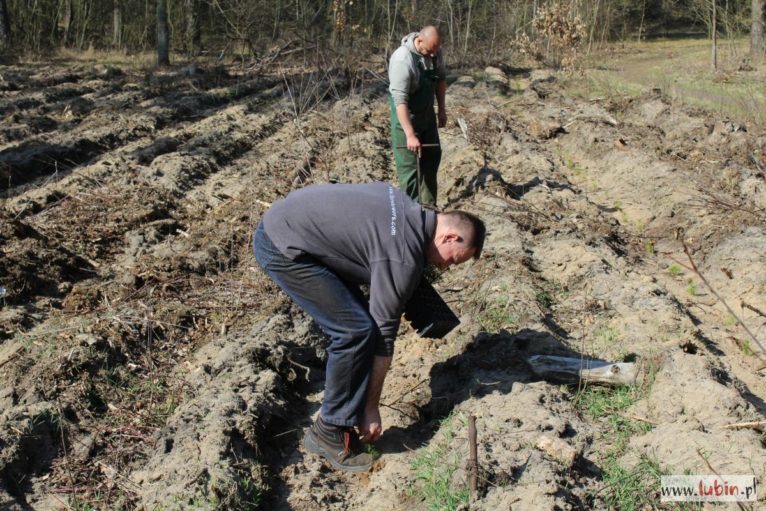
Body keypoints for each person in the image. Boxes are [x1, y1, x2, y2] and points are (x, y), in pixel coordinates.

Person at [252, 182, 485, 472]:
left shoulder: (405, 205)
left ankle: (345, 412)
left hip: (294, 223)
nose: (444, 267)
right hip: (283, 245)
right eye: (451, 260)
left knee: (360, 323)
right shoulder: (400, 257)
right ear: (450, 237)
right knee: (353, 331)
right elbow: (383, 339)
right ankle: (329, 428)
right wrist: (371, 408)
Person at [388, 25, 447, 209]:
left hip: (427, 116)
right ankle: (410, 213)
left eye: (435, 50)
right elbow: (400, 101)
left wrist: (442, 110)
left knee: (432, 159)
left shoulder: (435, 52)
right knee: (409, 170)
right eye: (429, 51)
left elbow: (440, 80)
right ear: (419, 41)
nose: (433, 54)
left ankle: (429, 209)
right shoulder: (402, 60)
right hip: (406, 117)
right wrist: (410, 134)